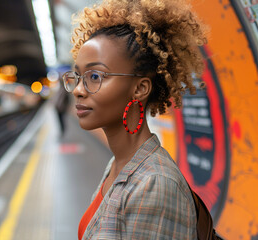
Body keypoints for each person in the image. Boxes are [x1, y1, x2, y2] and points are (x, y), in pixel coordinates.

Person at [62, 0, 208, 239]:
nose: (78, 89)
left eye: (95, 76)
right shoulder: (118, 165)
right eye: (78, 76)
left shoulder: (154, 185)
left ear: (140, 88)